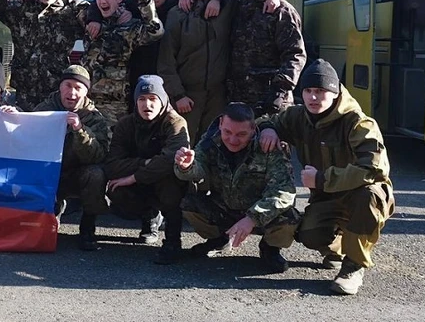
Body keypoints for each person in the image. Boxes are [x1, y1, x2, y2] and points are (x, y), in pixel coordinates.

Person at [258, 59, 395, 295]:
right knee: (309, 234)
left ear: (335, 92)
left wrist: (322, 179)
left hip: (361, 194)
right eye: (309, 91)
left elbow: (373, 170)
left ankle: (354, 267)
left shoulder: (358, 122)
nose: (313, 97)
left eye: (320, 91)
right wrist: (268, 128)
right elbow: (268, 121)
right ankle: (339, 247)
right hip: (328, 197)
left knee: (370, 196)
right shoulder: (301, 116)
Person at [174, 102, 299, 273]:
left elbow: (284, 191)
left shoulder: (268, 146)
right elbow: (198, 170)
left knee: (290, 218)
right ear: (220, 125)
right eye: (227, 132)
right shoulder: (210, 141)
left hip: (261, 212)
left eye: (241, 134)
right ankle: (220, 239)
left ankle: (270, 249)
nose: (233, 140)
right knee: (189, 204)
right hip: (225, 207)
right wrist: (186, 166)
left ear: (254, 129)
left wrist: (252, 218)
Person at [104, 75, 190, 263]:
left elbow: (170, 160)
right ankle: (149, 217)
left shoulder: (175, 123)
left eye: (153, 99)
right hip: (142, 180)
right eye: (142, 99)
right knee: (116, 189)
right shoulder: (125, 124)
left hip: (166, 181)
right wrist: (145, 163)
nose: (147, 105)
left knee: (171, 183)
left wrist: (133, 177)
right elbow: (112, 165)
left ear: (163, 100)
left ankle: (173, 242)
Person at [34, 65, 111, 252]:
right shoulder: (45, 109)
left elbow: (97, 155)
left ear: (86, 92)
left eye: (78, 88)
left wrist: (80, 131)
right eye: (68, 85)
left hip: (78, 173)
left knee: (96, 174)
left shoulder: (94, 117)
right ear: (60, 87)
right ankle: (49, 217)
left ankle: (88, 226)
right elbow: (27, 136)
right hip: (50, 173)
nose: (72, 92)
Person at [0, 0, 88, 111]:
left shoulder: (69, 13)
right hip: (25, 85)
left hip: (53, 87)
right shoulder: (23, 9)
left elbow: (90, 8)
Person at [157, 0, 232, 142]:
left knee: (213, 148)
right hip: (187, 97)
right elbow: (166, 59)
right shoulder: (178, 12)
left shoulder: (227, 7)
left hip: (217, 97)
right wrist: (178, 94)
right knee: (182, 146)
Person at [82, 0, 165, 127]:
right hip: (86, 101)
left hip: (114, 105)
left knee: (111, 146)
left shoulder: (129, 27)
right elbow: (67, 4)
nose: (103, 1)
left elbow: (156, 31)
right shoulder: (92, 22)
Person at [227, 0, 306, 116]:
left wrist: (280, 90)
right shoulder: (235, 6)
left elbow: (295, 55)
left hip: (271, 98)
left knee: (273, 139)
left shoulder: (280, 10)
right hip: (239, 98)